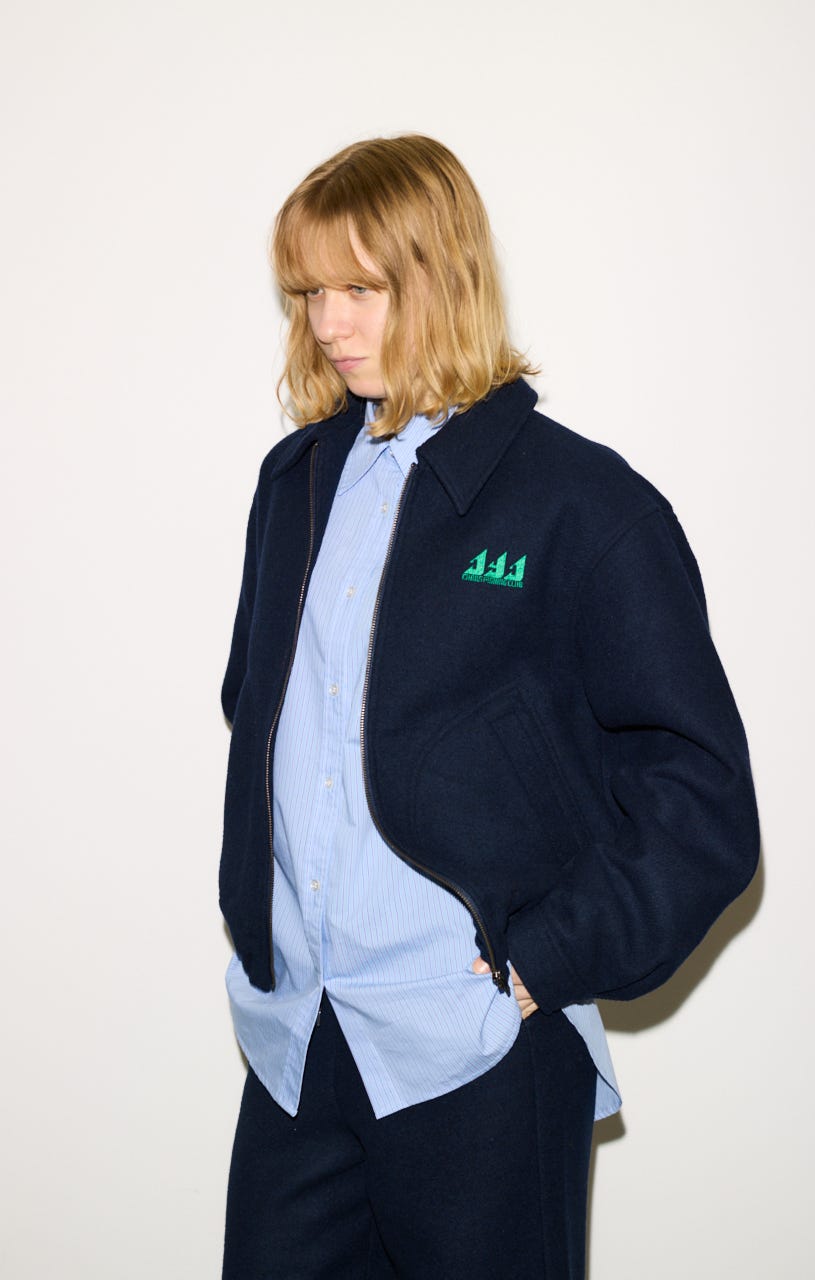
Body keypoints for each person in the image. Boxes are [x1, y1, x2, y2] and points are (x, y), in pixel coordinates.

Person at [218, 134, 759, 1279]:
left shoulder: (580, 503)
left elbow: (702, 798)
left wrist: (545, 956)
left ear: (441, 276)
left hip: (474, 1056)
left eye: (360, 288)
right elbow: (265, 721)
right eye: (309, 292)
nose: (328, 323)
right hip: (300, 1045)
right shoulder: (293, 484)